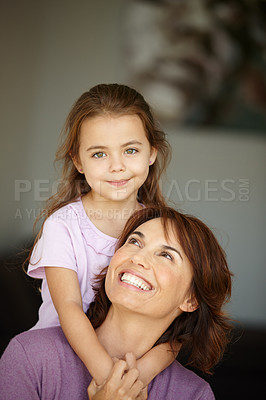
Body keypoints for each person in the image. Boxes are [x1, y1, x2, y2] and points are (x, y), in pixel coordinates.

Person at [24, 83, 172, 387]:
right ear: (78, 161)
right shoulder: (62, 226)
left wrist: (138, 376)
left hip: (127, 371)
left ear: (151, 153)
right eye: (99, 154)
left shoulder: (160, 227)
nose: (117, 166)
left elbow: (179, 324)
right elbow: (69, 308)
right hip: (57, 362)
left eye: (130, 150)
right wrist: (109, 381)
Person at [0, 206, 233, 399]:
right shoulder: (29, 357)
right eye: (135, 242)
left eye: (166, 255)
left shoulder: (194, 394)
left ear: (191, 299)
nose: (138, 258)